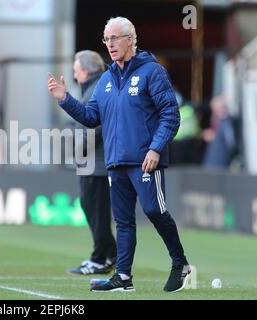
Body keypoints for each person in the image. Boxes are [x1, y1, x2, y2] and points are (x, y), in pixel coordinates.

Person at [48, 16, 191, 293]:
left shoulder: (153, 72)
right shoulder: (106, 80)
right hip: (116, 162)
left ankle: (180, 263)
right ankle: (123, 277)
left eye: (114, 38)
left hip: (145, 160)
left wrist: (155, 148)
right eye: (106, 39)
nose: (110, 44)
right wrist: (65, 100)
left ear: (130, 39)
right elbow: (91, 118)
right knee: (123, 221)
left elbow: (170, 115)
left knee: (154, 210)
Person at [66, 50, 117, 276]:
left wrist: (78, 150)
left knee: (96, 212)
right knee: (92, 210)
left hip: (98, 164)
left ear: (85, 72)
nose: (75, 77)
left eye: (76, 72)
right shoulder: (97, 87)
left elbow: (95, 126)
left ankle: (100, 258)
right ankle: (110, 253)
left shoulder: (96, 90)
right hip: (94, 163)